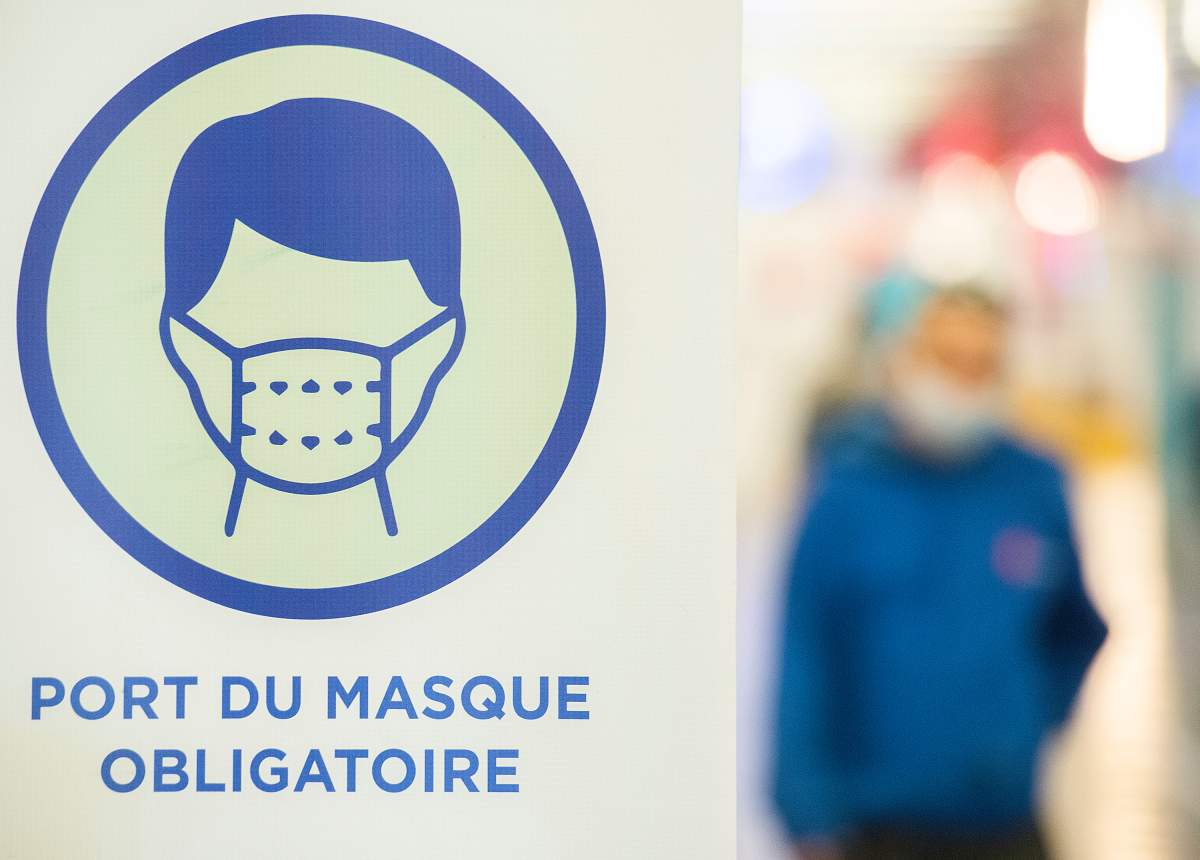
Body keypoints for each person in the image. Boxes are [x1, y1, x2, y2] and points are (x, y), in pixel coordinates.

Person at [774, 286, 1106, 859]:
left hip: (1006, 824)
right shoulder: (847, 494)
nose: (963, 383)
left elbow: (1077, 626)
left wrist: (1027, 715)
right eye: (947, 360)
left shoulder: (1032, 486)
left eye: (984, 366)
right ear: (903, 361)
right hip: (878, 827)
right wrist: (805, 810)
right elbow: (805, 655)